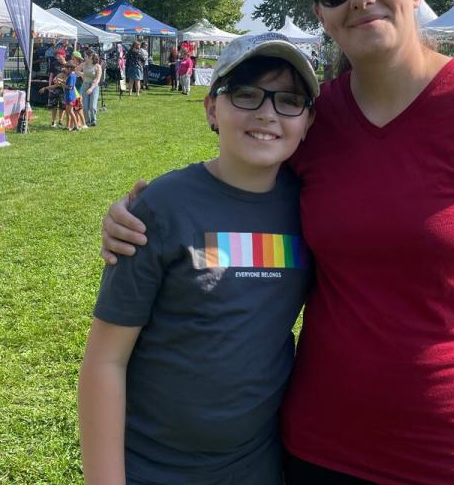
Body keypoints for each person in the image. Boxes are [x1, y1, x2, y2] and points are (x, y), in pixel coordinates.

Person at [100, 0, 454, 484]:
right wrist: (141, 214)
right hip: (320, 449)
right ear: (322, 14)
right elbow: (234, 194)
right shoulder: (311, 118)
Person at [78, 33, 318, 485]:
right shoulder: (162, 207)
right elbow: (105, 361)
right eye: (245, 95)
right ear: (211, 108)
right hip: (151, 468)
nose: (267, 112)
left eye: (288, 100)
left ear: (307, 121)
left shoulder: (313, 209)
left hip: (257, 466)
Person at [80, 52, 103, 127]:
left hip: (94, 86)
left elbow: (97, 79)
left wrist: (91, 88)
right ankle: (87, 121)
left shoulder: (97, 66)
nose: (84, 57)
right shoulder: (83, 64)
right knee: (85, 106)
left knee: (92, 106)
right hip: (85, 85)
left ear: (91, 57)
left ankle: (93, 120)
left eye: (86, 56)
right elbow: (76, 69)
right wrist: (82, 75)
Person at [63, 62, 86, 131]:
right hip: (71, 95)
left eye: (66, 68)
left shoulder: (70, 76)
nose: (65, 70)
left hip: (70, 96)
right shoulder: (73, 75)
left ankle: (76, 127)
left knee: (71, 112)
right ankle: (73, 126)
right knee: (70, 111)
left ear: (69, 68)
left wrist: (61, 84)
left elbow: (70, 87)